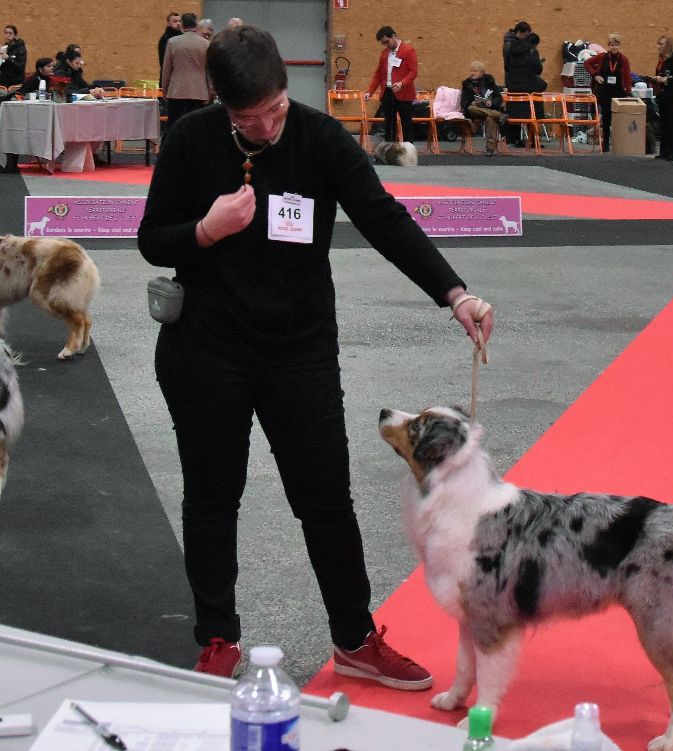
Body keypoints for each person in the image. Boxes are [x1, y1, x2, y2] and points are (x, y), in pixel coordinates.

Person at [137, 24, 493, 682]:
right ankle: (217, 638)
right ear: (220, 101)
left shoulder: (320, 138)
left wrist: (455, 293)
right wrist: (205, 230)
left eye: (275, 110)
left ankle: (355, 637)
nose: (266, 128)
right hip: (207, 350)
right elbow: (153, 238)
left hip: (298, 351)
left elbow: (384, 219)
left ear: (286, 87)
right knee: (212, 497)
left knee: (326, 498)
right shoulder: (190, 139)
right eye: (248, 118)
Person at [161, 13, 212, 135]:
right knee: (197, 127)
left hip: (176, 92)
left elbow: (166, 70)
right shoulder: (206, 44)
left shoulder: (172, 42)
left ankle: (170, 147)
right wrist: (211, 91)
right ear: (196, 25)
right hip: (199, 93)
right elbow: (209, 71)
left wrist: (165, 90)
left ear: (182, 25)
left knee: (172, 126)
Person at [365, 26, 417, 143]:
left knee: (406, 123)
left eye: (387, 42)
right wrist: (369, 91)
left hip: (404, 93)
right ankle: (390, 148)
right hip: (388, 92)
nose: (386, 45)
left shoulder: (408, 50)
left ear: (393, 36)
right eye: (383, 43)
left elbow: (413, 71)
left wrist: (402, 83)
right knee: (389, 124)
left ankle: (409, 149)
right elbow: (378, 74)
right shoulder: (384, 54)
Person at [584, 33, 633, 153]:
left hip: (619, 92)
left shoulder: (624, 59)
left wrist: (628, 92)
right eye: (612, 45)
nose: (614, 47)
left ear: (619, 46)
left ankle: (619, 143)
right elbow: (587, 63)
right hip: (605, 92)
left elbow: (627, 76)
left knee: (618, 119)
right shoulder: (602, 57)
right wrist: (595, 75)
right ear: (609, 46)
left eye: (616, 45)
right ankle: (605, 143)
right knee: (606, 118)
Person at [502, 21, 538, 147]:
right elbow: (508, 64)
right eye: (525, 35)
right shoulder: (510, 45)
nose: (526, 38)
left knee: (516, 110)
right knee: (518, 110)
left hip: (514, 80)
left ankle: (516, 139)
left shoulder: (511, 43)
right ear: (518, 33)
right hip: (517, 80)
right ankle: (515, 138)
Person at [460, 60, 504, 155]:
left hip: (488, 108)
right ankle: (498, 115)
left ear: (481, 73)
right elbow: (463, 102)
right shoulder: (467, 84)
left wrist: (491, 103)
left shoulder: (489, 82)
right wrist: (472, 102)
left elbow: (499, 98)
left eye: (475, 71)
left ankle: (490, 149)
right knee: (471, 108)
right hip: (474, 110)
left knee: (490, 119)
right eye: (471, 71)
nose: (472, 73)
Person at [652, 35, 673, 161]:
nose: (659, 46)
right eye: (658, 43)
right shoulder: (661, 59)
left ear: (668, 46)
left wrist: (665, 80)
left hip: (672, 94)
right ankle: (665, 151)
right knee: (664, 123)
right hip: (662, 94)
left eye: (662, 44)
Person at [158, 11, 182, 82]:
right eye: (175, 21)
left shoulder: (182, 37)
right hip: (169, 78)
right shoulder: (165, 39)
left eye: (179, 21)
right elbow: (164, 61)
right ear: (168, 23)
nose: (178, 23)